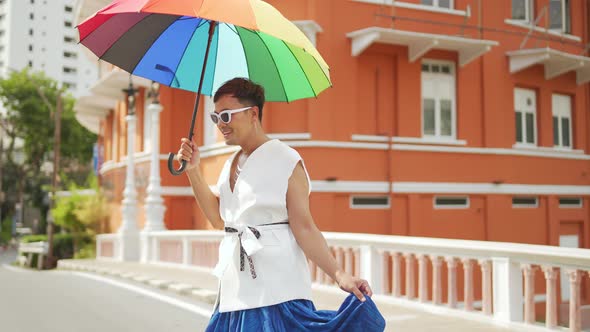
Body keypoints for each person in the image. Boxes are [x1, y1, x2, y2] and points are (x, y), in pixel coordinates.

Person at [176, 78, 385, 331]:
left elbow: (305, 228)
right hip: (234, 291)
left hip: (277, 292)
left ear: (253, 113)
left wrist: (340, 274)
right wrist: (193, 171)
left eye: (227, 116)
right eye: (216, 117)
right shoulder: (230, 163)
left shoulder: (285, 159)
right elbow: (220, 221)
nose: (221, 124)